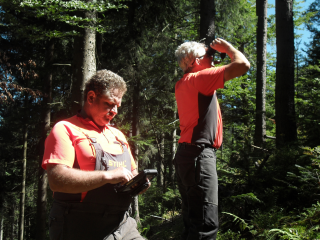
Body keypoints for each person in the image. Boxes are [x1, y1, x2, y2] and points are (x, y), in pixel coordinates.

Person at [42, 69, 149, 240]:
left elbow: (132, 173)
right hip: (78, 226)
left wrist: (139, 184)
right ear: (91, 97)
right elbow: (56, 180)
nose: (115, 111)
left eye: (118, 106)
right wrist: (107, 176)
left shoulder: (118, 135)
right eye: (110, 104)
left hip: (122, 225)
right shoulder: (65, 129)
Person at [174, 38, 250, 240]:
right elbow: (243, 65)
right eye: (209, 56)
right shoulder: (199, 79)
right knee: (206, 225)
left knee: (192, 221)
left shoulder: (183, 83)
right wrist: (228, 48)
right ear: (194, 62)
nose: (214, 59)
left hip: (186, 155)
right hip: (199, 155)